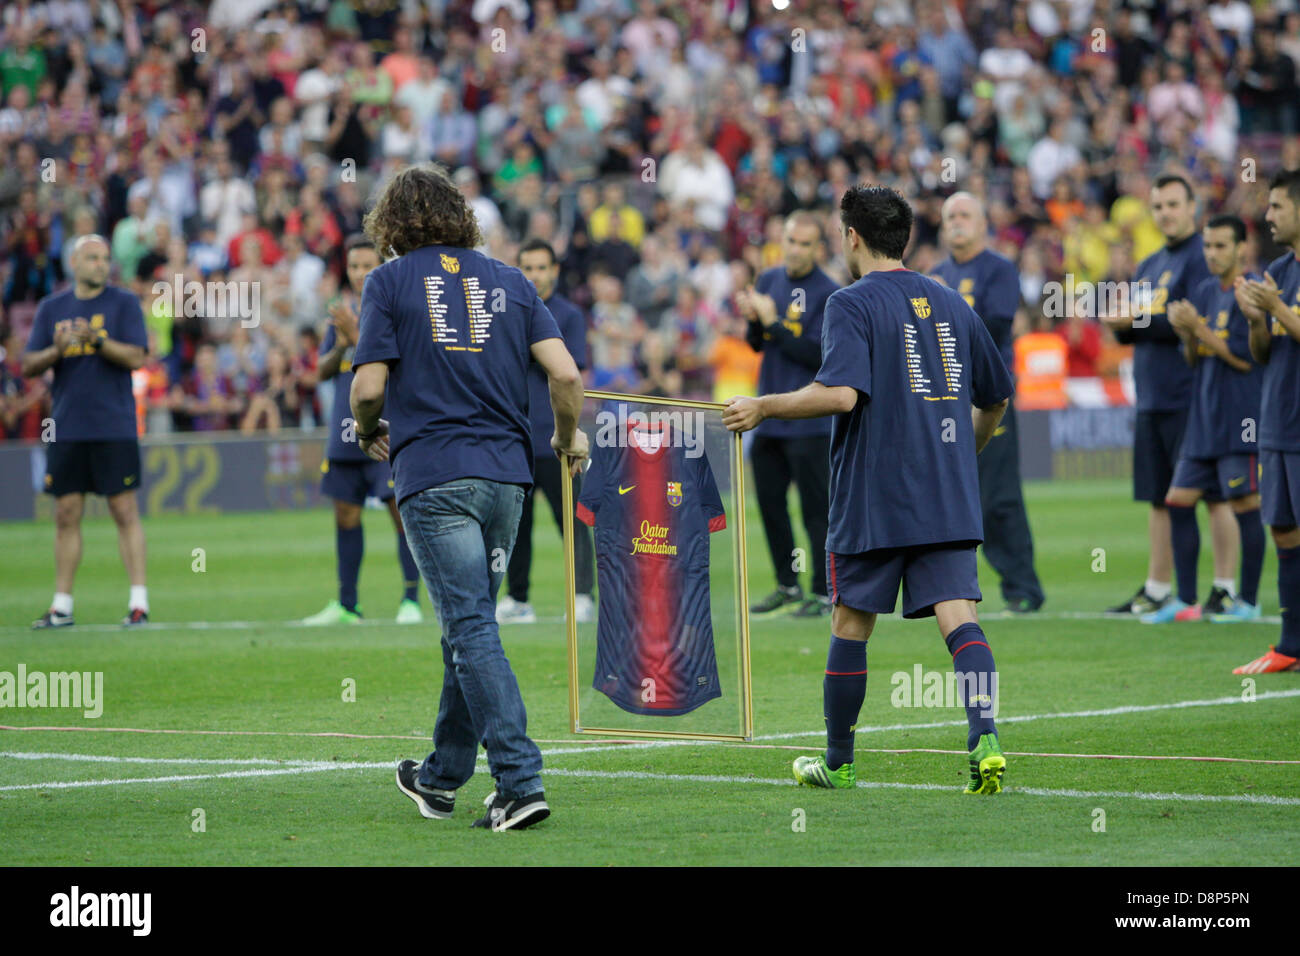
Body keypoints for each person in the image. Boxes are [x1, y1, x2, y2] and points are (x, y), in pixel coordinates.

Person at [723, 185, 1015, 794]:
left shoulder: (849, 303)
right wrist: (968, 449)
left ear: (850, 236)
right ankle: (985, 736)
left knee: (850, 621)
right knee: (959, 616)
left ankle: (840, 761)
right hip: (945, 492)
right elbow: (996, 397)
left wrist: (764, 407)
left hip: (874, 492)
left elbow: (840, 395)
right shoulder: (951, 300)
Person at [349, 164, 587, 830]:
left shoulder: (389, 280)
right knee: (470, 618)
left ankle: (518, 781)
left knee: (471, 624)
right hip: (508, 478)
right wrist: (567, 440)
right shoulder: (512, 279)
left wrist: (370, 432)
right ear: (461, 215)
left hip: (436, 476)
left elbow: (367, 390)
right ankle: (441, 777)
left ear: (392, 224)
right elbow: (565, 375)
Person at [24, 234, 150, 628]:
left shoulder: (123, 303)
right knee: (65, 513)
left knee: (123, 509)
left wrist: (97, 340)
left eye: (105, 258)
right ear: (74, 262)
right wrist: (56, 351)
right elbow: (28, 364)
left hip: (114, 422)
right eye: (93, 258)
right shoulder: (52, 308)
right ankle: (62, 605)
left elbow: (137, 356)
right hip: (67, 424)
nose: (101, 264)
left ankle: (138, 602)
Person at [1103, 174, 1211, 616]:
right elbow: (1139, 331)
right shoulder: (1149, 264)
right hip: (1149, 394)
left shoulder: (1203, 257)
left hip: (1187, 393)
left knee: (1214, 497)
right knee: (1156, 495)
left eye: (1172, 204)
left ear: (1192, 206)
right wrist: (1123, 325)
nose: (1165, 212)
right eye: (1159, 205)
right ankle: (1157, 587)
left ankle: (1219, 589)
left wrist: (1136, 320)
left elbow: (1190, 320)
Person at [932, 192, 1045, 613]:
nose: (957, 222)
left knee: (998, 496)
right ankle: (949, 585)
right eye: (950, 216)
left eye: (965, 214)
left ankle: (1023, 587)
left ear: (983, 224)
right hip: (942, 400)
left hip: (987, 395)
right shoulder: (936, 273)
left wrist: (946, 303)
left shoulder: (998, 269)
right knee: (946, 494)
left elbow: (997, 322)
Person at [302, 233, 423, 626]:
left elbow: (404, 366)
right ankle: (347, 605)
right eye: (353, 266)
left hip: (385, 429)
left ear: (381, 267)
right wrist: (339, 346)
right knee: (345, 516)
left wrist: (356, 336)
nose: (358, 274)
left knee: (400, 514)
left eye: (366, 266)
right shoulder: (340, 312)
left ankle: (411, 601)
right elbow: (319, 371)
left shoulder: (395, 307)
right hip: (343, 429)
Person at [1148, 215, 1264, 623]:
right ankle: (1185, 599)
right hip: (1204, 415)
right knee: (1177, 500)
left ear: (1240, 248)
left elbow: (1246, 359)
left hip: (1240, 415)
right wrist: (1187, 336)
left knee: (1245, 503)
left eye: (1220, 246)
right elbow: (1194, 359)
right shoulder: (1202, 289)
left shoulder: (1252, 291)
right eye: (1208, 246)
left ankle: (1247, 601)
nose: (1212, 254)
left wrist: (1197, 327)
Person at [739, 211, 840, 618]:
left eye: (803, 243)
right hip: (769, 419)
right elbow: (758, 346)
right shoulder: (768, 280)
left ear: (818, 248)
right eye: (790, 241)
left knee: (816, 512)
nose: (794, 250)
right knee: (771, 507)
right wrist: (754, 322)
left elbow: (818, 354)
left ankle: (822, 589)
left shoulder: (829, 292)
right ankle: (787, 583)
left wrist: (773, 322)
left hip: (810, 419)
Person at [496, 238, 596, 625]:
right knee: (514, 527)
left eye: (541, 267)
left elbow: (568, 371)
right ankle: (518, 598)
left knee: (572, 521)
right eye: (527, 267)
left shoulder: (568, 314)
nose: (535, 275)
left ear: (554, 270)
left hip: (559, 437)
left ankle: (583, 594)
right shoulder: (504, 312)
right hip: (514, 438)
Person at [1234, 170, 1300, 674]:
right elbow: (1264, 353)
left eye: (1277, 206)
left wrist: (1274, 304)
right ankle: (1291, 643)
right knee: (1282, 529)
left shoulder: (1279, 283)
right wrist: (1258, 321)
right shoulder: (1280, 268)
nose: (1269, 215)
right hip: (1277, 420)